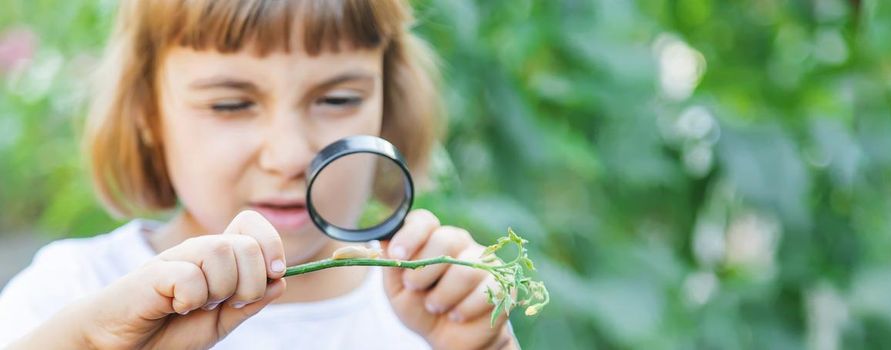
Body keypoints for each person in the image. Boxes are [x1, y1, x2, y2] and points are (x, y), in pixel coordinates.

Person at [0, 0, 517, 348]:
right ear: (148, 114)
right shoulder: (69, 295)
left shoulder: (430, 317)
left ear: (387, 103)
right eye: (230, 104)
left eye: (338, 99)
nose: (290, 156)